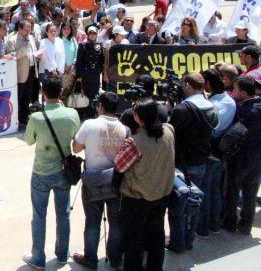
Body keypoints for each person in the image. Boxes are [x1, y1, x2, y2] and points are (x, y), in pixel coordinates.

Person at [22, 75, 80, 269]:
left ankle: (38, 256)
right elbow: (77, 142)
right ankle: (62, 254)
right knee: (63, 214)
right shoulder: (72, 114)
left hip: (41, 172)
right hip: (63, 172)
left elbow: (29, 140)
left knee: (39, 215)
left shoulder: (37, 117)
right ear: (61, 91)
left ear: (42, 93)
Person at [71, 92, 128, 270]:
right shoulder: (124, 129)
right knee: (116, 224)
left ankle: (90, 258)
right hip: (115, 181)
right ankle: (116, 259)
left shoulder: (89, 124)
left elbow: (76, 148)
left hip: (92, 182)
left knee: (92, 222)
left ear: (100, 106)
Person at [120, 99, 175, 271]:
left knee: (134, 240)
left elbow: (120, 165)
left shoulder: (134, 142)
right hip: (162, 194)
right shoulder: (169, 131)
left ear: (138, 118)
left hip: (137, 198)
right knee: (157, 234)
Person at [167, 73, 218, 253]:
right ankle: (189, 240)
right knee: (195, 202)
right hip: (201, 162)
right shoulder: (211, 106)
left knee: (177, 206)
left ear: (188, 85)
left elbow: (170, 132)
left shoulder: (182, 109)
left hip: (182, 164)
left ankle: (177, 242)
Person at [196, 69, 236, 239]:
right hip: (217, 153)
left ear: (208, 84)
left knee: (207, 191)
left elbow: (212, 128)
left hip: (212, 152)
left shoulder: (219, 104)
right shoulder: (226, 100)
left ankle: (204, 228)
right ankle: (213, 224)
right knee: (214, 190)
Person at [223, 76, 261, 235]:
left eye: (236, 90)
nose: (233, 92)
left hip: (240, 159)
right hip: (257, 159)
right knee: (250, 194)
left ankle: (230, 223)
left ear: (244, 93)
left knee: (232, 191)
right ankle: (246, 225)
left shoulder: (243, 111)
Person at [5, 20, 39, 127]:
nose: (28, 32)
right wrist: (24, 48)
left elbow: (33, 51)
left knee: (27, 97)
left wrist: (37, 55)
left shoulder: (31, 38)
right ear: (19, 29)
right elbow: (11, 56)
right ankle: (14, 121)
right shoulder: (12, 40)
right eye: (25, 30)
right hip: (19, 74)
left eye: (29, 30)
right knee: (18, 99)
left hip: (31, 70)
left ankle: (24, 120)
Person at [74, 26, 104, 119]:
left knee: (94, 93)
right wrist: (79, 75)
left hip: (95, 73)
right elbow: (79, 61)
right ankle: (83, 113)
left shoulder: (99, 45)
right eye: (90, 33)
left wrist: (99, 70)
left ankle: (92, 112)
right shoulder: (82, 45)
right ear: (87, 34)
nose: (92, 35)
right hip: (85, 73)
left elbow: (101, 59)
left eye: (94, 33)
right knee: (85, 93)